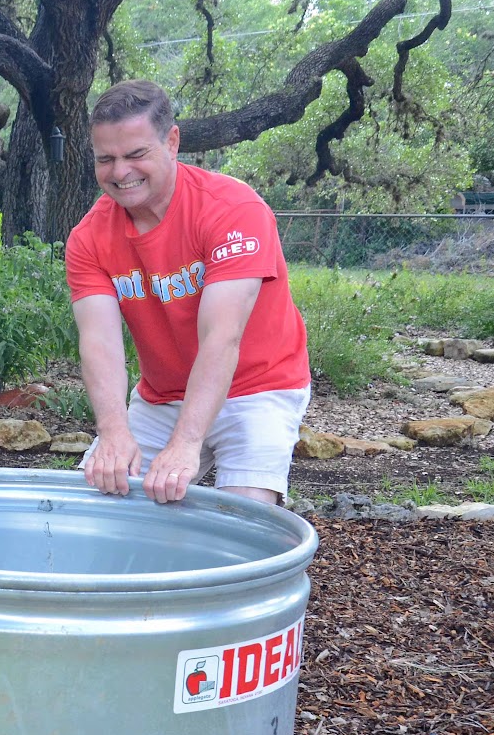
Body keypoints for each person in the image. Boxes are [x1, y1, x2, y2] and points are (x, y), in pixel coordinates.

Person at [65, 80, 311, 509]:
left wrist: (185, 444)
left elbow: (222, 336)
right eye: (106, 159)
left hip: (258, 387)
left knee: (241, 521)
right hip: (162, 396)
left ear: (172, 141)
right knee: (98, 507)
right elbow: (99, 342)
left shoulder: (233, 210)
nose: (121, 172)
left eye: (136, 154)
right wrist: (114, 433)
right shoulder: (88, 238)